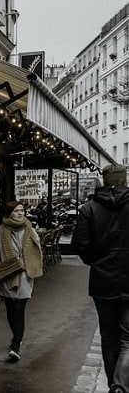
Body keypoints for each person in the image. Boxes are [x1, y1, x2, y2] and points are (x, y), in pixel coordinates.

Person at [72, 164, 129, 392]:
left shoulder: (89, 208)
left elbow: (80, 245)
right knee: (127, 339)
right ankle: (120, 385)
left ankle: (113, 384)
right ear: (125, 180)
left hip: (102, 281)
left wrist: (97, 261)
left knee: (108, 336)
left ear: (104, 181)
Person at [0, 200, 44, 363]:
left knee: (19, 309)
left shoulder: (29, 229)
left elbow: (37, 248)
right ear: (9, 214)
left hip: (25, 275)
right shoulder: (1, 230)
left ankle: (16, 346)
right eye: (16, 211)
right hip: (7, 275)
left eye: (22, 211)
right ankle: (16, 338)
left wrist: (30, 263)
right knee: (11, 309)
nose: (20, 213)